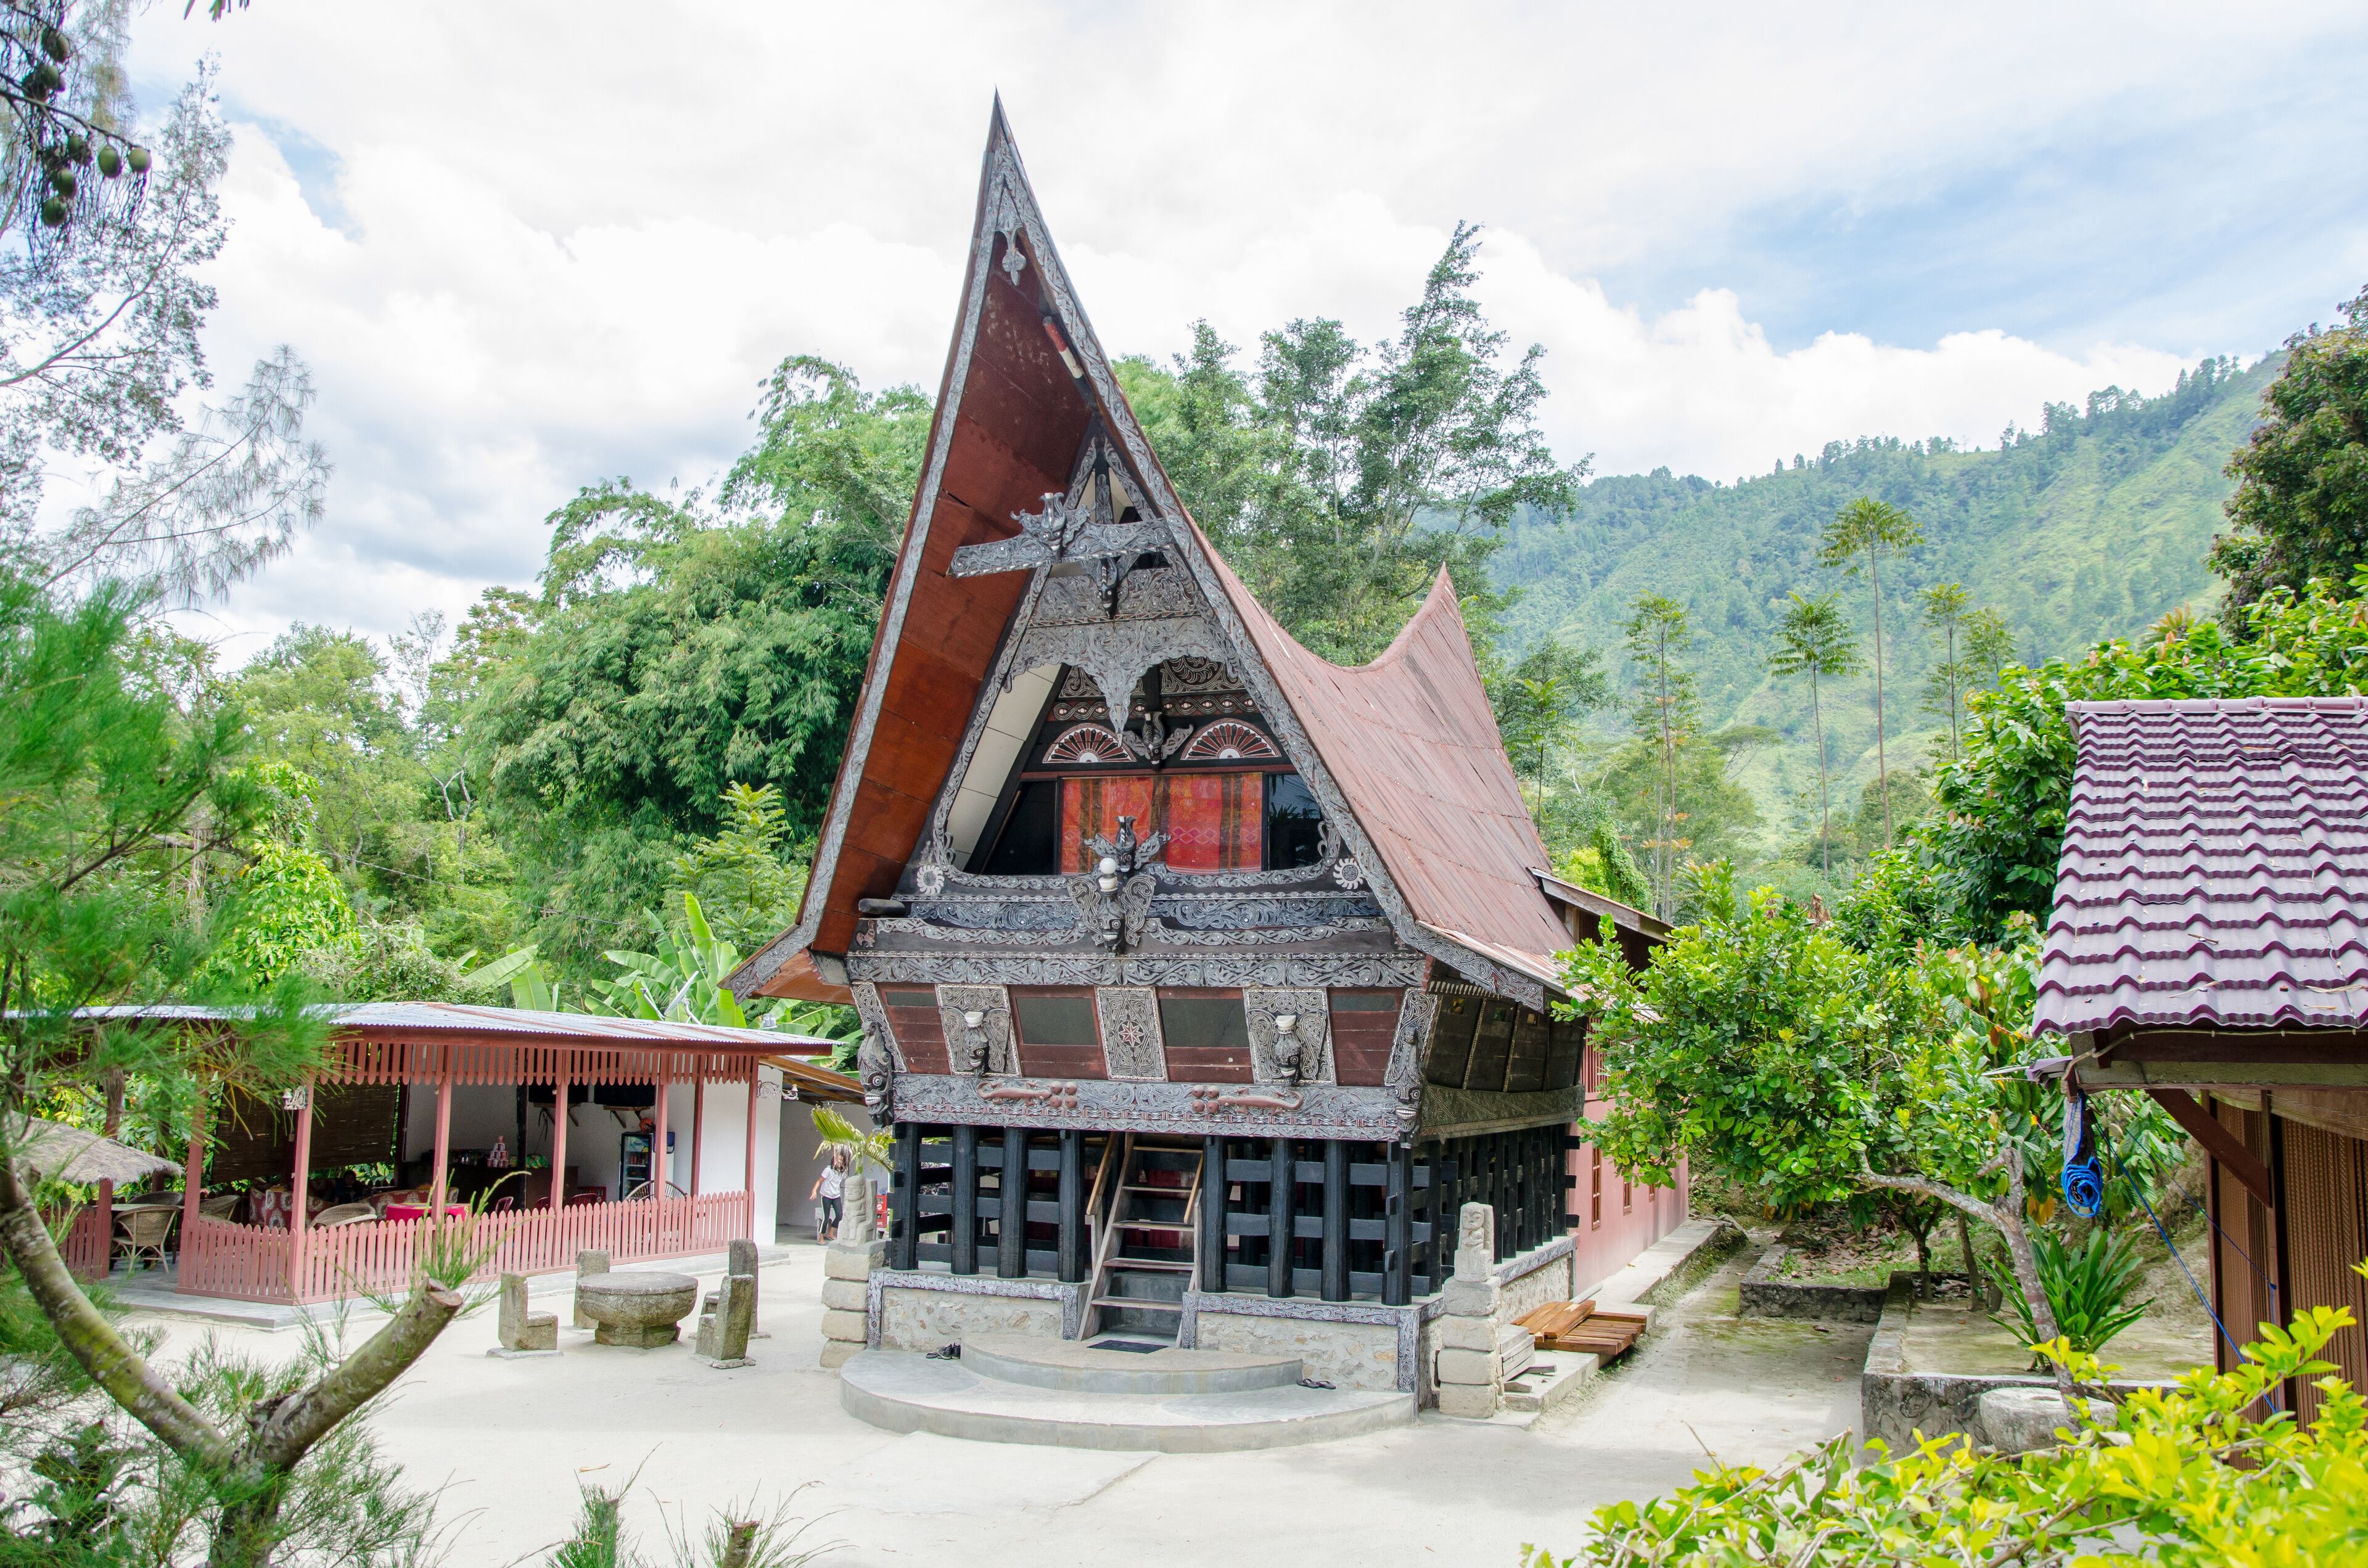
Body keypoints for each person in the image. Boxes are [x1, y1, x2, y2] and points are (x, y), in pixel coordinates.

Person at [810, 1147, 849, 1242]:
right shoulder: (828, 1170)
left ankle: (831, 1233)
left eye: (841, 1160)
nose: (839, 1162)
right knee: (826, 1218)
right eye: (838, 1160)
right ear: (834, 1160)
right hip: (826, 1196)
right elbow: (820, 1181)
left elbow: (846, 1174)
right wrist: (814, 1191)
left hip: (836, 1196)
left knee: (840, 1215)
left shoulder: (842, 1172)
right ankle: (821, 1238)